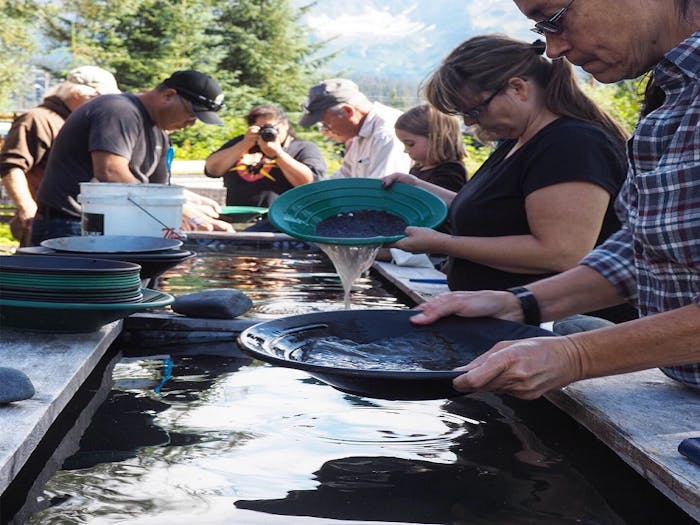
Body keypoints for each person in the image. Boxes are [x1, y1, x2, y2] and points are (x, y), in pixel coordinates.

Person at [409, 0, 700, 399]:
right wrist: (516, 304)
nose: (553, 49)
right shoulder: (674, 98)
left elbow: (562, 251)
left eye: (555, 19)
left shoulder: (573, 140)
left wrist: (576, 354)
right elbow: (640, 253)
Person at [384, 35, 635, 323]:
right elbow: (494, 213)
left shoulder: (571, 143)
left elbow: (560, 253)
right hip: (506, 326)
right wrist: (417, 186)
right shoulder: (516, 143)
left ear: (517, 88)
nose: (469, 123)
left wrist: (443, 243)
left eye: (475, 110)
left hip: (559, 330)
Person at [31, 69, 233, 244]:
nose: (190, 124)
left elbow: (158, 190)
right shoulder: (118, 110)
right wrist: (176, 209)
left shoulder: (159, 133)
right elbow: (110, 171)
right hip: (72, 225)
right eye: (191, 115)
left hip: (115, 227)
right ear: (169, 95)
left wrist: (191, 207)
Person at [0, 66, 120, 246]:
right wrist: (26, 207)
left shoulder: (77, 121)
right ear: (79, 94)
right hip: (48, 219)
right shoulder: (37, 119)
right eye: (99, 99)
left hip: (80, 219)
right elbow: (12, 166)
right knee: (44, 271)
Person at [204, 104, 326, 208]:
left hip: (283, 223)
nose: (266, 132)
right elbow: (212, 170)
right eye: (261, 128)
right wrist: (243, 145)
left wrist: (278, 154)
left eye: (270, 127)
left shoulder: (303, 147)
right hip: (239, 219)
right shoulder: (243, 142)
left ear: (285, 124)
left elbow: (311, 184)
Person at [298, 78, 411, 178]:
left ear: (348, 111)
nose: (325, 131)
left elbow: (382, 191)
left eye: (325, 124)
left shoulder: (386, 134)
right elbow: (344, 176)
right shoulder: (360, 133)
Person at [394, 104, 467, 193]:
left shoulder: (450, 171)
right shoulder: (417, 169)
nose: (406, 150)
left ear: (435, 139)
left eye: (410, 144)